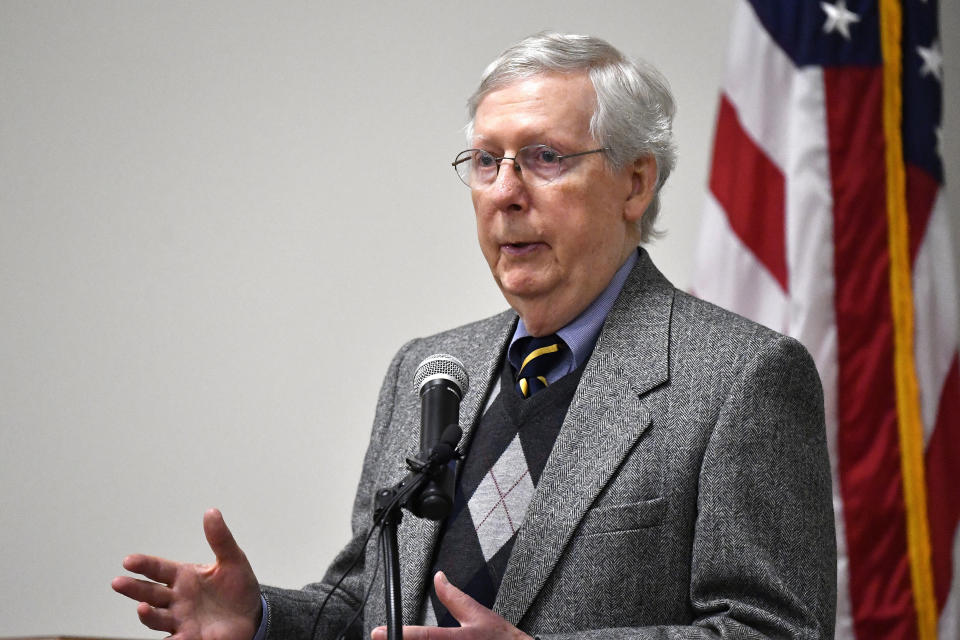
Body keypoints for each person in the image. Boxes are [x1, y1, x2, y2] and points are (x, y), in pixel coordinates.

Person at [113, 32, 836, 639]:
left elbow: (771, 629)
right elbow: (370, 599)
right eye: (486, 161)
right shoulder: (429, 368)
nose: (505, 192)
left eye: (546, 157)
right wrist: (264, 616)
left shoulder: (742, 376)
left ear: (636, 182)